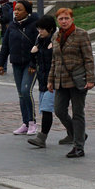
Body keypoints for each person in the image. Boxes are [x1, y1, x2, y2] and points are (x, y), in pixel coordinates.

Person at [48, 7, 95, 156]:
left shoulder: (81, 34)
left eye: (66, 18)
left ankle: (78, 146)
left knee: (77, 113)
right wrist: (50, 80)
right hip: (61, 80)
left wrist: (90, 79)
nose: (64, 21)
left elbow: (88, 58)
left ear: (72, 19)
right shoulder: (55, 36)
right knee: (59, 110)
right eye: (61, 19)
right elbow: (54, 60)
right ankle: (78, 133)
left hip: (77, 80)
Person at [0, 0, 39, 135]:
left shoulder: (34, 25)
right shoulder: (12, 26)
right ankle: (25, 123)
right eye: (15, 9)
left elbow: (39, 46)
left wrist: (34, 63)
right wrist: (0, 64)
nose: (16, 12)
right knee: (21, 94)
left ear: (27, 11)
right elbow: (5, 46)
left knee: (26, 91)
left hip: (30, 64)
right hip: (16, 63)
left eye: (19, 9)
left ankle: (32, 122)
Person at [27, 14, 59, 148]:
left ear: (50, 29)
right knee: (59, 112)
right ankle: (75, 132)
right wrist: (33, 55)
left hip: (55, 81)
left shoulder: (56, 40)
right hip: (42, 80)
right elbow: (37, 60)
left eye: (42, 29)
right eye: (39, 29)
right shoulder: (39, 40)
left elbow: (56, 60)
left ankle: (41, 138)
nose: (40, 31)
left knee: (46, 109)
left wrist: (48, 50)